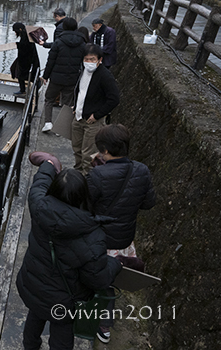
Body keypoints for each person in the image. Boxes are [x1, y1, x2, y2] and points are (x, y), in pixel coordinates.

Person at [16, 158, 122, 350]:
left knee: (34, 319)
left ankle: (30, 347)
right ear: (83, 196)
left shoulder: (39, 207)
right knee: (62, 336)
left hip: (33, 285)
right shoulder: (92, 235)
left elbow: (39, 183)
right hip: (64, 301)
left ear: (54, 190)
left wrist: (48, 163)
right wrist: (116, 264)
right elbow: (98, 279)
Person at [86, 124, 156, 343]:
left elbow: (86, 207)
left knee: (95, 279)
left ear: (104, 150)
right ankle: (105, 328)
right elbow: (148, 203)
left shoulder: (97, 174)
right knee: (111, 281)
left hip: (99, 239)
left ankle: (88, 317)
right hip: (124, 239)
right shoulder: (142, 170)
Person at [71, 44, 119, 174]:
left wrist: (97, 115)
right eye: (86, 59)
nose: (89, 62)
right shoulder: (82, 71)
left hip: (92, 121)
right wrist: (75, 106)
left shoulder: (105, 75)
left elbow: (114, 98)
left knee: (89, 153)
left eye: (92, 59)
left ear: (100, 60)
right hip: (78, 116)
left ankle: (87, 178)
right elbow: (80, 91)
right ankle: (77, 172)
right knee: (76, 148)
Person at [40, 17, 86, 133]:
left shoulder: (58, 42)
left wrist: (45, 76)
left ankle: (48, 123)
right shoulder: (82, 43)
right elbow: (83, 63)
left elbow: (51, 61)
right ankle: (62, 128)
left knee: (49, 99)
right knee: (67, 103)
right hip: (72, 78)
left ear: (64, 27)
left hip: (56, 78)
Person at [10, 22, 41, 95]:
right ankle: (26, 88)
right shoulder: (27, 34)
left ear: (19, 29)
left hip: (27, 59)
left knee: (20, 74)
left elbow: (25, 47)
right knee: (19, 72)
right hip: (28, 58)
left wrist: (17, 45)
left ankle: (23, 90)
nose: (15, 33)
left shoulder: (25, 37)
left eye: (15, 31)